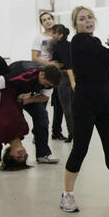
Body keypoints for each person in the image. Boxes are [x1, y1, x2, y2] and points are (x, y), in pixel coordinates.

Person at [60, 6, 109, 213]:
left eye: (90, 17)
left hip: (104, 102)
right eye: (82, 19)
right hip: (85, 104)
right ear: (75, 24)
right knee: (80, 149)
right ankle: (67, 195)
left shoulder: (91, 44)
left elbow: (101, 68)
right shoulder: (79, 41)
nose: (87, 21)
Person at [0, 56, 61, 164]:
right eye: (45, 83)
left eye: (49, 86)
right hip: (8, 91)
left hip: (24, 96)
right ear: (42, 74)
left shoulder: (50, 79)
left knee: (41, 115)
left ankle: (43, 154)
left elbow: (45, 97)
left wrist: (27, 101)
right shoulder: (20, 75)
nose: (46, 86)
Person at [32, 12, 67, 140]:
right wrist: (50, 64)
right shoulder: (38, 38)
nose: (47, 21)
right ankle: (38, 133)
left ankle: (56, 132)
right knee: (41, 105)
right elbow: (34, 58)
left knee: (60, 105)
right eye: (44, 20)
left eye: (49, 19)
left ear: (53, 20)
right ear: (41, 24)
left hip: (60, 74)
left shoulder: (59, 37)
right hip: (45, 74)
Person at [51, 24, 76, 143]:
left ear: (60, 35)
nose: (52, 35)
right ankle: (73, 132)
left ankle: (72, 133)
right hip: (72, 76)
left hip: (64, 77)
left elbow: (66, 64)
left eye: (54, 33)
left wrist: (72, 81)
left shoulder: (58, 46)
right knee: (71, 107)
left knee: (67, 108)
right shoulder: (70, 45)